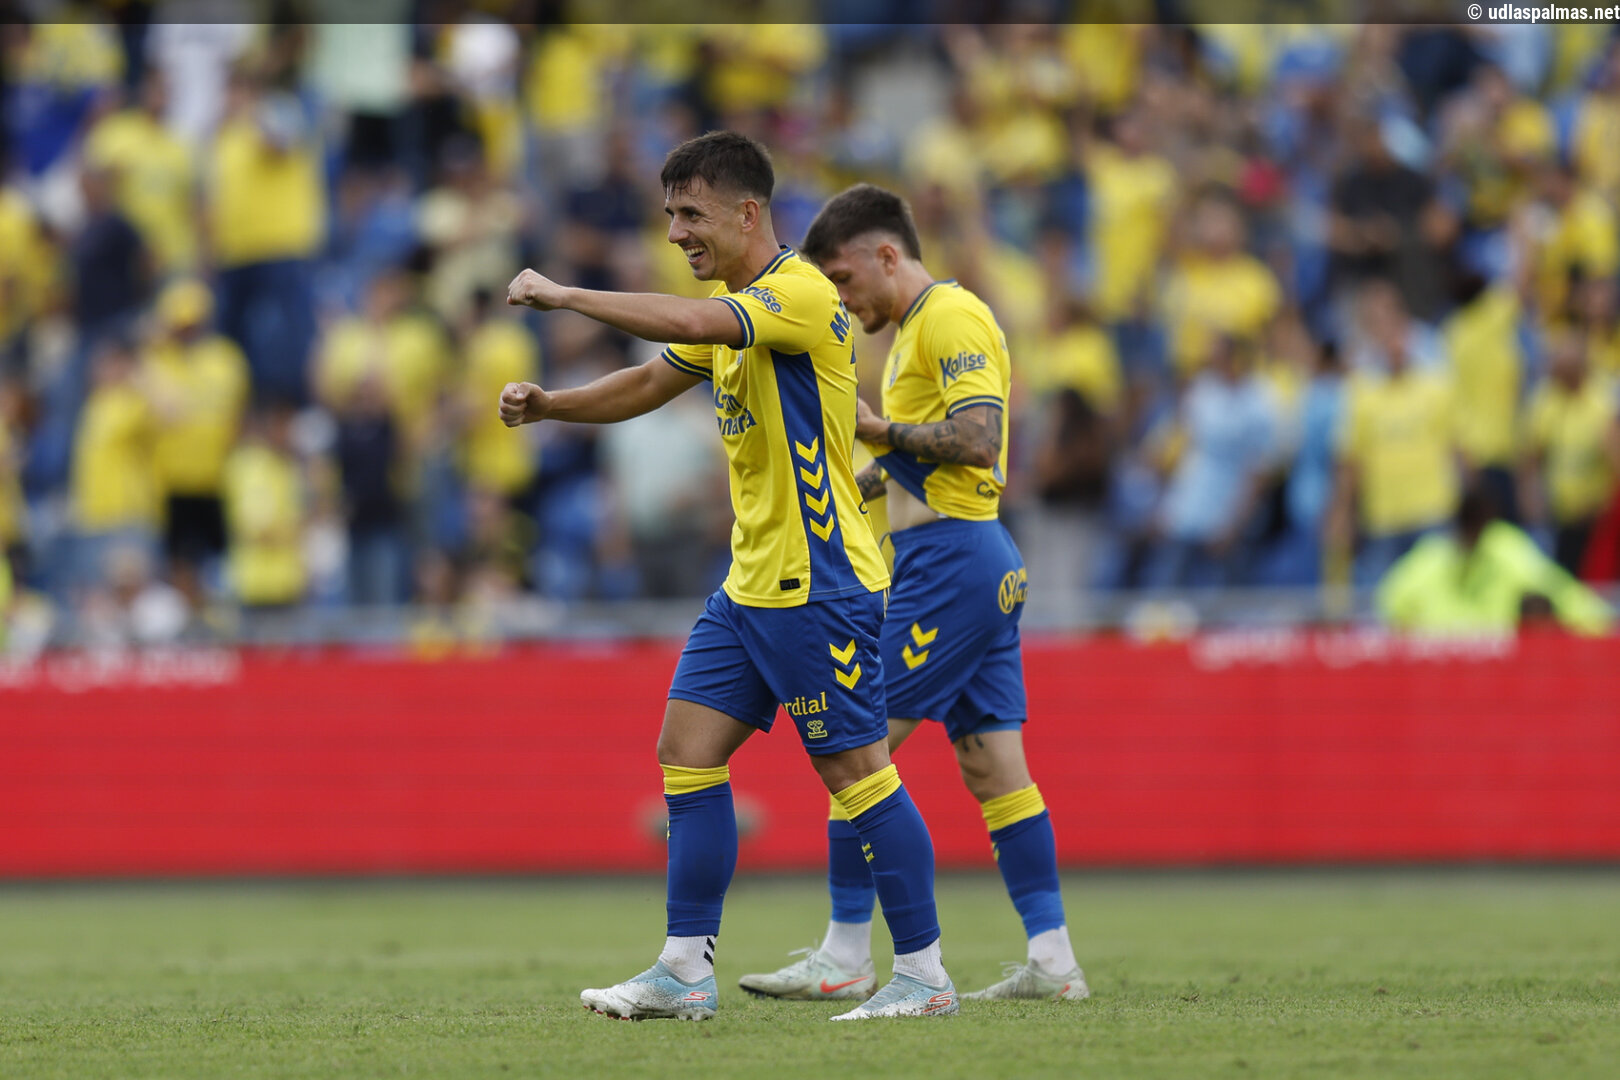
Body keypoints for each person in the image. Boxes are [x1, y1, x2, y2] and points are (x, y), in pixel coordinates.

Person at [498, 133, 956, 1022]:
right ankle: (683, 970)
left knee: (860, 775)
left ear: (749, 213)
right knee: (686, 751)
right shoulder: (736, 308)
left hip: (819, 583)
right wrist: (554, 406)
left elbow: (690, 326)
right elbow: (648, 381)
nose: (676, 232)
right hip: (751, 585)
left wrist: (566, 294)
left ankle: (925, 976)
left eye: (691, 214)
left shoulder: (798, 294)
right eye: (670, 214)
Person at [737, 182, 1088, 1004]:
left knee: (856, 746)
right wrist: (849, 480)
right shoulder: (911, 335)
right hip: (969, 560)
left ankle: (845, 954)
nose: (841, 299)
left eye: (843, 279)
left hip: (951, 563)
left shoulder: (951, 318)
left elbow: (979, 438)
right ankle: (1054, 962)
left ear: (887, 255)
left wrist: (875, 429)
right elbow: (912, 462)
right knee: (994, 769)